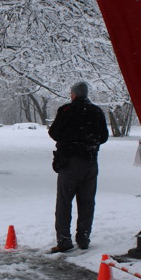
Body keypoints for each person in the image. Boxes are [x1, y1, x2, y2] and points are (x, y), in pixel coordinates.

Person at [47, 80, 109, 252]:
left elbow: (54, 133)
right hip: (90, 161)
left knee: (64, 202)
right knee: (87, 201)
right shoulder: (96, 111)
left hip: (69, 162)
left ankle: (64, 240)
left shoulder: (66, 110)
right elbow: (104, 137)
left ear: (73, 94)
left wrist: (70, 139)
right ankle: (83, 238)